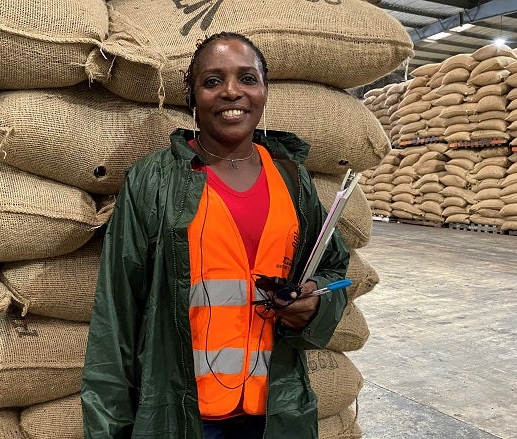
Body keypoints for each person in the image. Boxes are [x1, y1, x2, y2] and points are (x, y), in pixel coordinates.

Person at [82, 32, 349, 438]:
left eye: (247, 78)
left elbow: (333, 267)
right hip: (183, 412)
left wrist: (315, 304)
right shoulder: (154, 180)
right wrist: (109, 428)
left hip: (273, 410)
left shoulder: (292, 178)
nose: (232, 92)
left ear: (264, 90)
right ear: (191, 93)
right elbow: (117, 311)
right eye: (212, 81)